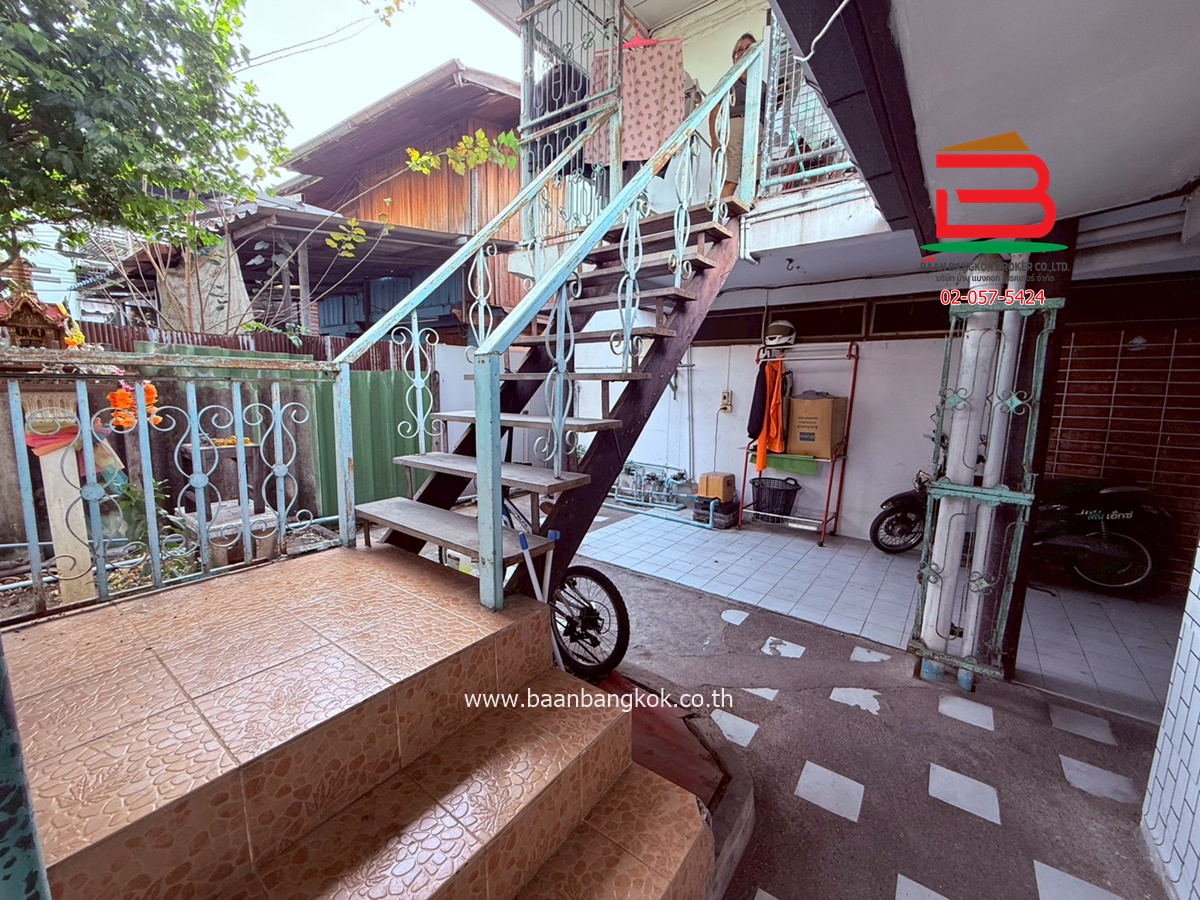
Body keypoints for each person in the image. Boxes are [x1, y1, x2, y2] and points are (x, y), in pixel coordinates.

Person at [710, 33, 758, 200]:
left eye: (749, 48)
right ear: (734, 57)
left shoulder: (761, 84)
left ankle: (753, 211)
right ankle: (721, 210)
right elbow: (714, 111)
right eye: (740, 49)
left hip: (756, 132)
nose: (744, 52)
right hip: (735, 128)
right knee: (731, 180)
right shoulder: (729, 81)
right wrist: (714, 142)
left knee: (755, 180)